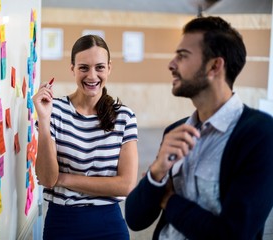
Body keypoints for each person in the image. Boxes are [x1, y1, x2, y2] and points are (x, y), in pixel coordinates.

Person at [125, 16, 273, 240]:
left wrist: (169, 200)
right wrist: (156, 172)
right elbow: (135, 220)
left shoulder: (260, 135)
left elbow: (234, 234)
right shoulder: (175, 131)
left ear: (215, 66)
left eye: (182, 56)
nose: (171, 64)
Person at [33, 34, 138, 240]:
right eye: (84, 67)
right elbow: (46, 178)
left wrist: (63, 179)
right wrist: (44, 120)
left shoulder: (124, 117)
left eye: (99, 67)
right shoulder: (54, 110)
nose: (92, 76)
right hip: (62, 224)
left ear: (109, 68)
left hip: (110, 224)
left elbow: (125, 185)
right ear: (72, 68)